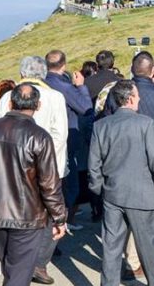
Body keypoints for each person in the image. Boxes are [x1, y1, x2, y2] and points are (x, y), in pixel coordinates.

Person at [0, 84, 67, 286]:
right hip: (28, 215)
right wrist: (59, 217)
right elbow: (49, 183)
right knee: (18, 273)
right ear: (37, 106)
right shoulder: (39, 136)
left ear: (10, 103)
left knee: (12, 270)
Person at [102, 52, 154, 281]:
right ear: (153, 71)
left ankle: (131, 260)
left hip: (120, 161)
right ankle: (139, 263)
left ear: (132, 68)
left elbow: (108, 123)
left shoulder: (117, 94)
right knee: (145, 218)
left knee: (123, 217)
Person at [0, 56, 69, 284]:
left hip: (11, 167)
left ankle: (19, 263)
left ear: (22, 73)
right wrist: (44, 162)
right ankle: (38, 263)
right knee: (47, 213)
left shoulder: (8, 96)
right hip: (48, 166)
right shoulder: (55, 96)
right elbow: (60, 134)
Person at [88, 80, 154, 286]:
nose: (140, 99)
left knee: (111, 248)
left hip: (112, 193)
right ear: (131, 98)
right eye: (137, 95)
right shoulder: (145, 123)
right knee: (147, 247)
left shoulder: (100, 125)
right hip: (142, 195)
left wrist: (100, 189)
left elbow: (93, 165)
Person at [43, 50, 94, 231]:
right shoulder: (63, 87)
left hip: (45, 137)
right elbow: (85, 108)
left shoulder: (42, 83)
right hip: (66, 138)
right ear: (63, 64)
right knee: (69, 182)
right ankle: (66, 218)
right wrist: (80, 86)